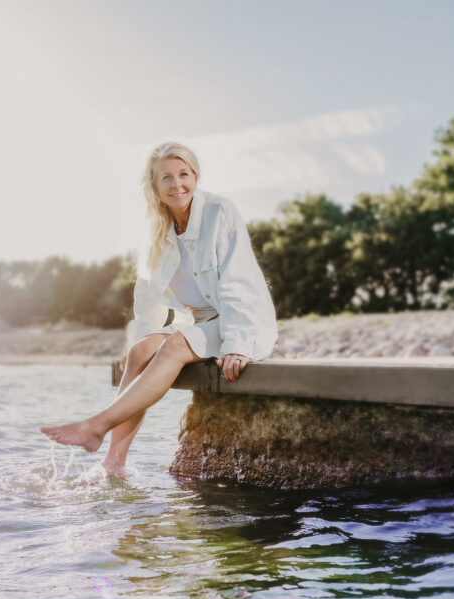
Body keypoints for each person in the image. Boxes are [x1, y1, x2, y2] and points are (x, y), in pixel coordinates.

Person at [40, 142, 277, 477]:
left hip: (244, 321)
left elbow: (237, 285)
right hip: (203, 322)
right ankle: (114, 463)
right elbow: (147, 297)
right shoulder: (156, 229)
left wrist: (239, 345)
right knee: (140, 353)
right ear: (154, 186)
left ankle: (96, 425)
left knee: (175, 345)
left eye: (184, 174)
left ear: (196, 176)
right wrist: (140, 339)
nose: (176, 184)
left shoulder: (219, 212)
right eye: (166, 177)